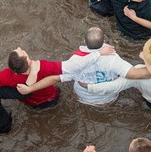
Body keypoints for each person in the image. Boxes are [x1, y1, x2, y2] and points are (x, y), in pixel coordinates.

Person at [18, 27, 151, 105]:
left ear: (84, 42)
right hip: (109, 97)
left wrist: (30, 89)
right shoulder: (113, 58)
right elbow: (134, 74)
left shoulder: (76, 61)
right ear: (104, 41)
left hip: (84, 98)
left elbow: (54, 78)